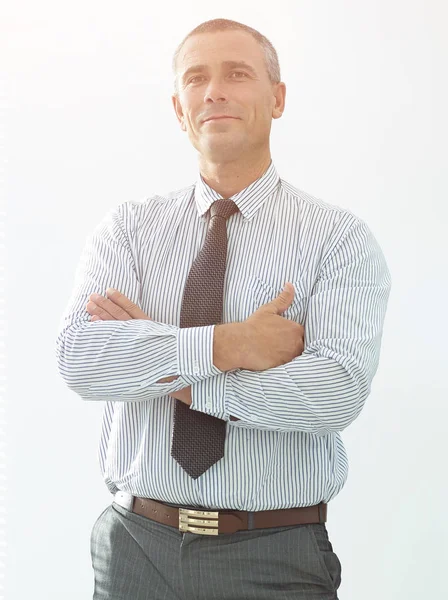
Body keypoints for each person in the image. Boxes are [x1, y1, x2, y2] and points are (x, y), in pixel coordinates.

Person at [55, 17, 391, 600]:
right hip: (135, 549)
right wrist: (229, 346)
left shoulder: (338, 239)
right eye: (196, 78)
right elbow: (80, 360)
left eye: (237, 74)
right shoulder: (128, 230)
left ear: (277, 98)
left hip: (274, 556)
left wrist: (161, 365)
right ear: (179, 108)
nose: (214, 91)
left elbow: (335, 391)